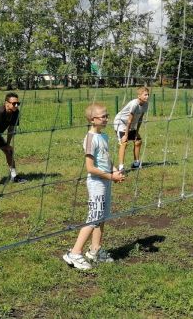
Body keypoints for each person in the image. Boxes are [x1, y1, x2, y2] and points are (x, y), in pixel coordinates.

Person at [63, 103, 125, 270]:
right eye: (102, 116)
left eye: (107, 115)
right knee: (94, 217)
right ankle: (74, 253)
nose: (106, 119)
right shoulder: (90, 139)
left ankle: (94, 251)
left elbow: (106, 159)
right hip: (97, 183)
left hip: (106, 181)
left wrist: (114, 172)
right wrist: (110, 176)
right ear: (92, 119)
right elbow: (90, 168)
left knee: (102, 216)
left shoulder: (103, 136)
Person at [113, 86, 150, 172]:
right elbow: (129, 120)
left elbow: (140, 119)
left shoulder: (146, 104)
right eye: (145, 95)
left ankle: (136, 163)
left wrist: (137, 132)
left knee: (138, 141)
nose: (147, 96)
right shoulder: (134, 104)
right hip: (121, 123)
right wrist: (126, 135)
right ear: (139, 96)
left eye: (148, 95)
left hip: (131, 123)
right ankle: (121, 167)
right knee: (124, 143)